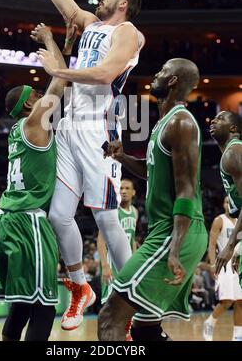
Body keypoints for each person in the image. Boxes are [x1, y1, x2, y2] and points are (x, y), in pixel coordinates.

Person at [7, 0, 145, 330]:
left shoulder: (128, 33)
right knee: (58, 215)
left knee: (106, 220)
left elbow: (105, 73)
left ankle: (128, 297)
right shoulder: (87, 23)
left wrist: (57, 69)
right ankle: (81, 287)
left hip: (97, 130)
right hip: (68, 126)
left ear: (122, 4)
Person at [97, 58, 208, 341]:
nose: (156, 75)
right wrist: (120, 156)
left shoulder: (181, 122)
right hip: (167, 231)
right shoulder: (164, 124)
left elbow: (186, 191)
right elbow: (151, 171)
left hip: (175, 233)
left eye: (162, 71)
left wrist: (174, 249)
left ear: (172, 81)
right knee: (145, 330)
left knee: (110, 317)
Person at [0, 22, 76, 341]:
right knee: (43, 305)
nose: (42, 97)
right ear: (29, 104)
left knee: (24, 304)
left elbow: (60, 72)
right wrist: (50, 40)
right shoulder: (34, 121)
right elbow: (61, 78)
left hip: (6, 219)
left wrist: (63, 48)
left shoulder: (17, 131)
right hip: (26, 221)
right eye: (37, 95)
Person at [210, 111, 242, 341]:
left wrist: (231, 244)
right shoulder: (229, 154)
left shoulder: (234, 152)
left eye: (220, 119)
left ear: (233, 129)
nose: (213, 121)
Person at [97, 179, 138, 340]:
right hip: (112, 267)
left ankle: (124, 336)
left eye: (127, 188)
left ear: (133, 192)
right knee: (110, 309)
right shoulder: (111, 211)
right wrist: (105, 266)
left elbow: (133, 239)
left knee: (126, 307)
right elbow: (101, 239)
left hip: (127, 267)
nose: (124, 191)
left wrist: (135, 263)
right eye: (120, 188)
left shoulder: (134, 212)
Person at [203, 196, 242, 341]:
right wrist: (213, 264)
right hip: (223, 264)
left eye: (230, 201)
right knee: (226, 300)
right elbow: (212, 244)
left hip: (238, 264)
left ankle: (237, 336)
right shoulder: (219, 220)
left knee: (240, 301)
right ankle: (210, 322)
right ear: (224, 205)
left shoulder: (240, 222)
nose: (228, 204)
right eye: (226, 201)